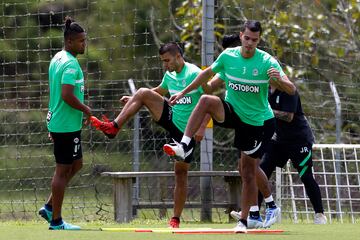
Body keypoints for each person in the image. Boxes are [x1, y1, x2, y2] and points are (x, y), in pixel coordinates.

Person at [162, 20, 296, 232]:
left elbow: (291, 89)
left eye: (255, 40)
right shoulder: (228, 57)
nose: (250, 43)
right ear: (241, 35)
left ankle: (246, 220)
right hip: (234, 113)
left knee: (247, 171)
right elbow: (206, 78)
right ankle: (184, 145)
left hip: (258, 122)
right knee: (206, 100)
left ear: (259, 40)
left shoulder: (267, 62)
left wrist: (279, 82)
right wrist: (183, 92)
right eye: (247, 38)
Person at [90, 42, 210, 228]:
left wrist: (202, 127)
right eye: (163, 61)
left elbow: (208, 102)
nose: (165, 65)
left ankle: (175, 219)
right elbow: (159, 92)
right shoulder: (169, 75)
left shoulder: (194, 73)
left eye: (167, 60)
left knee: (180, 173)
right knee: (143, 92)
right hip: (171, 117)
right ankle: (114, 127)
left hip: (187, 131)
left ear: (178, 56)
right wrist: (135, 99)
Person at [206, 34, 281, 229]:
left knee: (250, 168)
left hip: (260, 123)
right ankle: (254, 213)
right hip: (243, 123)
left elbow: (286, 87)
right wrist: (192, 82)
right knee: (244, 168)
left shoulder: (255, 62)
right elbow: (208, 88)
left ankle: (270, 206)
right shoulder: (227, 67)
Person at [39, 17, 90, 230]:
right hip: (65, 125)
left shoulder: (58, 57)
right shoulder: (70, 63)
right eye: (80, 42)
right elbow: (67, 95)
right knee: (62, 171)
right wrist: (86, 109)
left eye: (85, 41)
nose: (84, 45)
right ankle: (56, 221)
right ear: (69, 42)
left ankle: (50, 206)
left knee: (76, 165)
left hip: (65, 123)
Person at [258, 85, 327, 224]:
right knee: (262, 171)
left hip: (299, 141)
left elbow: (288, 117)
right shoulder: (264, 91)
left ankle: (320, 214)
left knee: (306, 177)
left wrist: (268, 110)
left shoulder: (289, 90)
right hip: (279, 141)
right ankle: (253, 212)